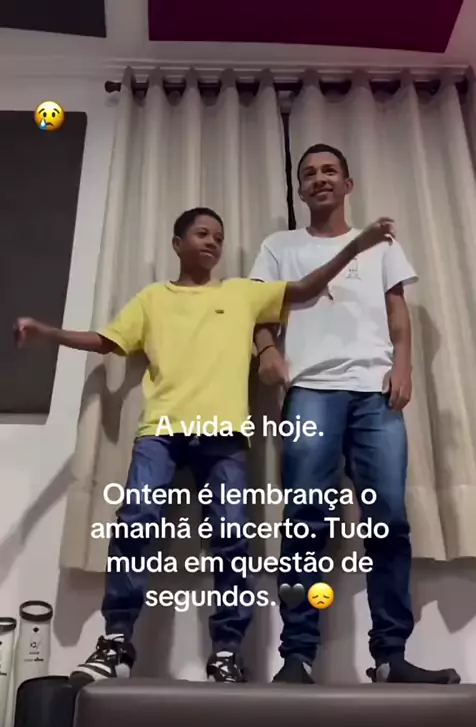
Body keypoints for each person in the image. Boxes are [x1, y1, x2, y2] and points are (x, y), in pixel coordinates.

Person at [15, 206, 395, 685]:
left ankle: (227, 652)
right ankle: (115, 641)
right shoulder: (152, 299)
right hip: (161, 434)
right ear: (178, 244)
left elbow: (304, 289)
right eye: (201, 234)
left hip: (226, 438)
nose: (212, 242)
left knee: (232, 539)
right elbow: (105, 341)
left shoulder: (242, 293)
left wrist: (355, 247)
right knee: (135, 523)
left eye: (219, 236)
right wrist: (46, 333)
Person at [250, 144, 461, 686]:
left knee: (389, 521)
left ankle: (391, 656)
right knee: (304, 522)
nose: (319, 178)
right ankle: (297, 657)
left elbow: (397, 313)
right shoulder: (279, 246)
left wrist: (404, 366)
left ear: (348, 184)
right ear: (300, 189)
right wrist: (267, 350)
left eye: (329, 171)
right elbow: (259, 310)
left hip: (375, 393)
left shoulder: (382, 244)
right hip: (311, 391)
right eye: (309, 173)